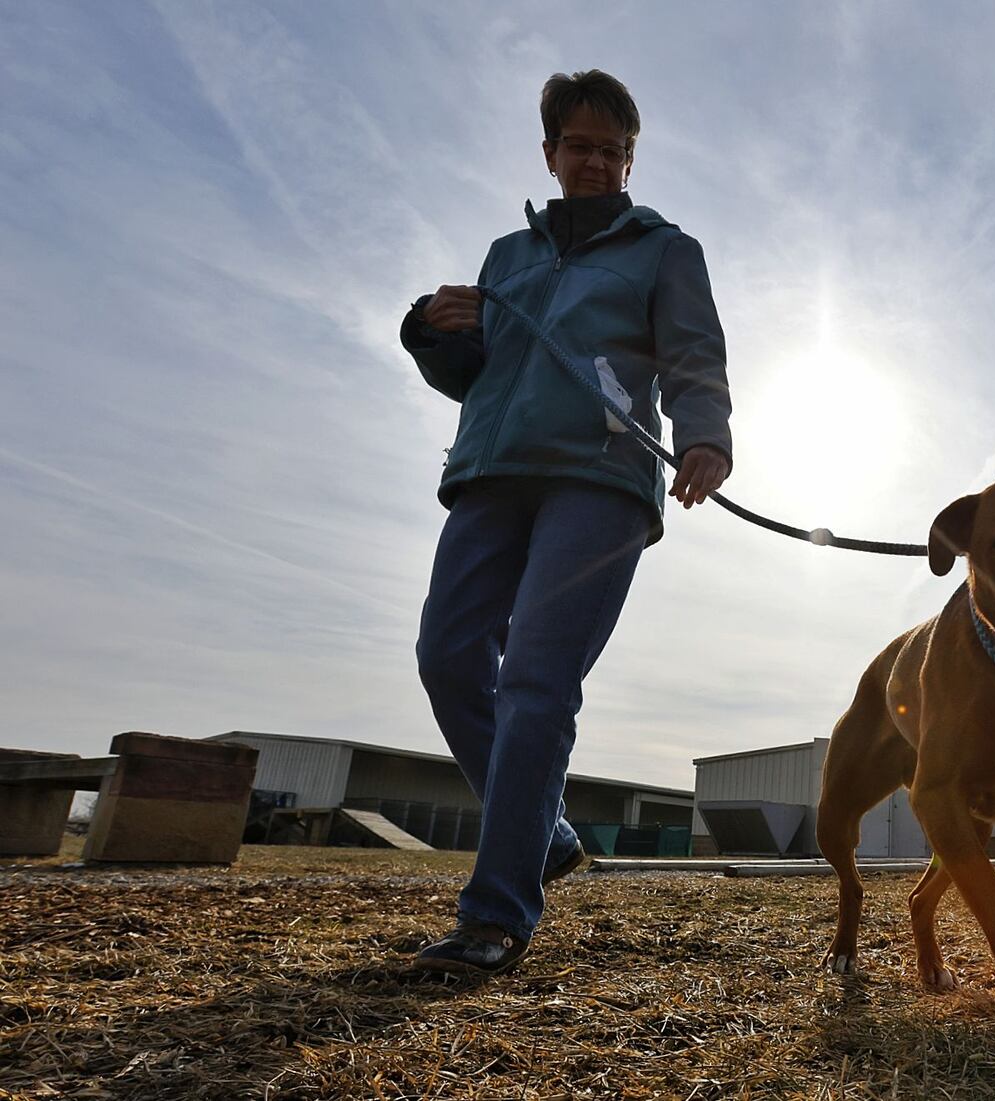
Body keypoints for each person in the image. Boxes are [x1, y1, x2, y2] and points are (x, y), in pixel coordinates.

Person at [401, 70, 732, 974]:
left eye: (613, 151)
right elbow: (471, 371)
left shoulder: (665, 249)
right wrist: (431, 328)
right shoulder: (507, 254)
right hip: (491, 472)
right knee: (446, 655)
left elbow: (696, 352)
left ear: (631, 162)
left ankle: (496, 915)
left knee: (538, 681)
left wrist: (706, 436)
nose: (595, 162)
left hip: (601, 479)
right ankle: (542, 835)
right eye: (578, 146)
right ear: (550, 153)